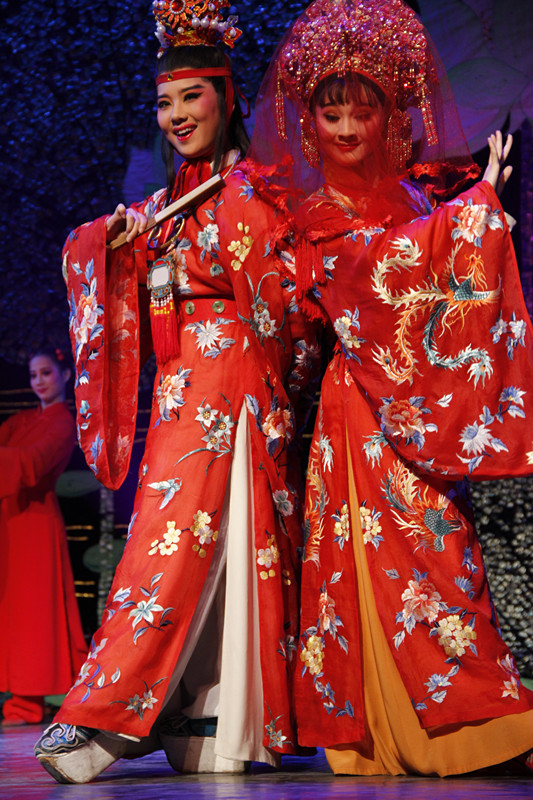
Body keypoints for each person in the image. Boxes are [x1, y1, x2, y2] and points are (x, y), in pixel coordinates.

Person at [34, 0, 319, 785]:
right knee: (177, 543)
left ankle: (110, 711)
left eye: (192, 96)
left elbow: (285, 312)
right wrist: (111, 246)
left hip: (232, 388)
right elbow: (94, 254)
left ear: (227, 99)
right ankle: (199, 711)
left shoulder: (250, 192)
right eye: (164, 102)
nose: (177, 115)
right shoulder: (165, 206)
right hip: (180, 391)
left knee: (175, 545)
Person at [250, 0, 533, 776]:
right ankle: (387, 733)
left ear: (391, 118)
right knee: (395, 556)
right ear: (309, 123)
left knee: (443, 553)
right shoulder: (316, 211)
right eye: (330, 113)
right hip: (360, 415)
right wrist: (472, 214)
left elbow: (429, 283)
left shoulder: (410, 199)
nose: (346, 129)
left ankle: (473, 721)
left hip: (413, 403)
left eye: (362, 112)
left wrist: (466, 225)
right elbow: (370, 275)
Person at [0, 346, 87, 726]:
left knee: (33, 612)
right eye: (34, 375)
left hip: (35, 524)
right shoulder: (20, 421)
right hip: (9, 520)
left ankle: (27, 702)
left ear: (65, 375)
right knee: (11, 611)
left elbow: (32, 464)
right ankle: (18, 698)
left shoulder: (63, 423)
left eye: (46, 373)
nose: (38, 381)